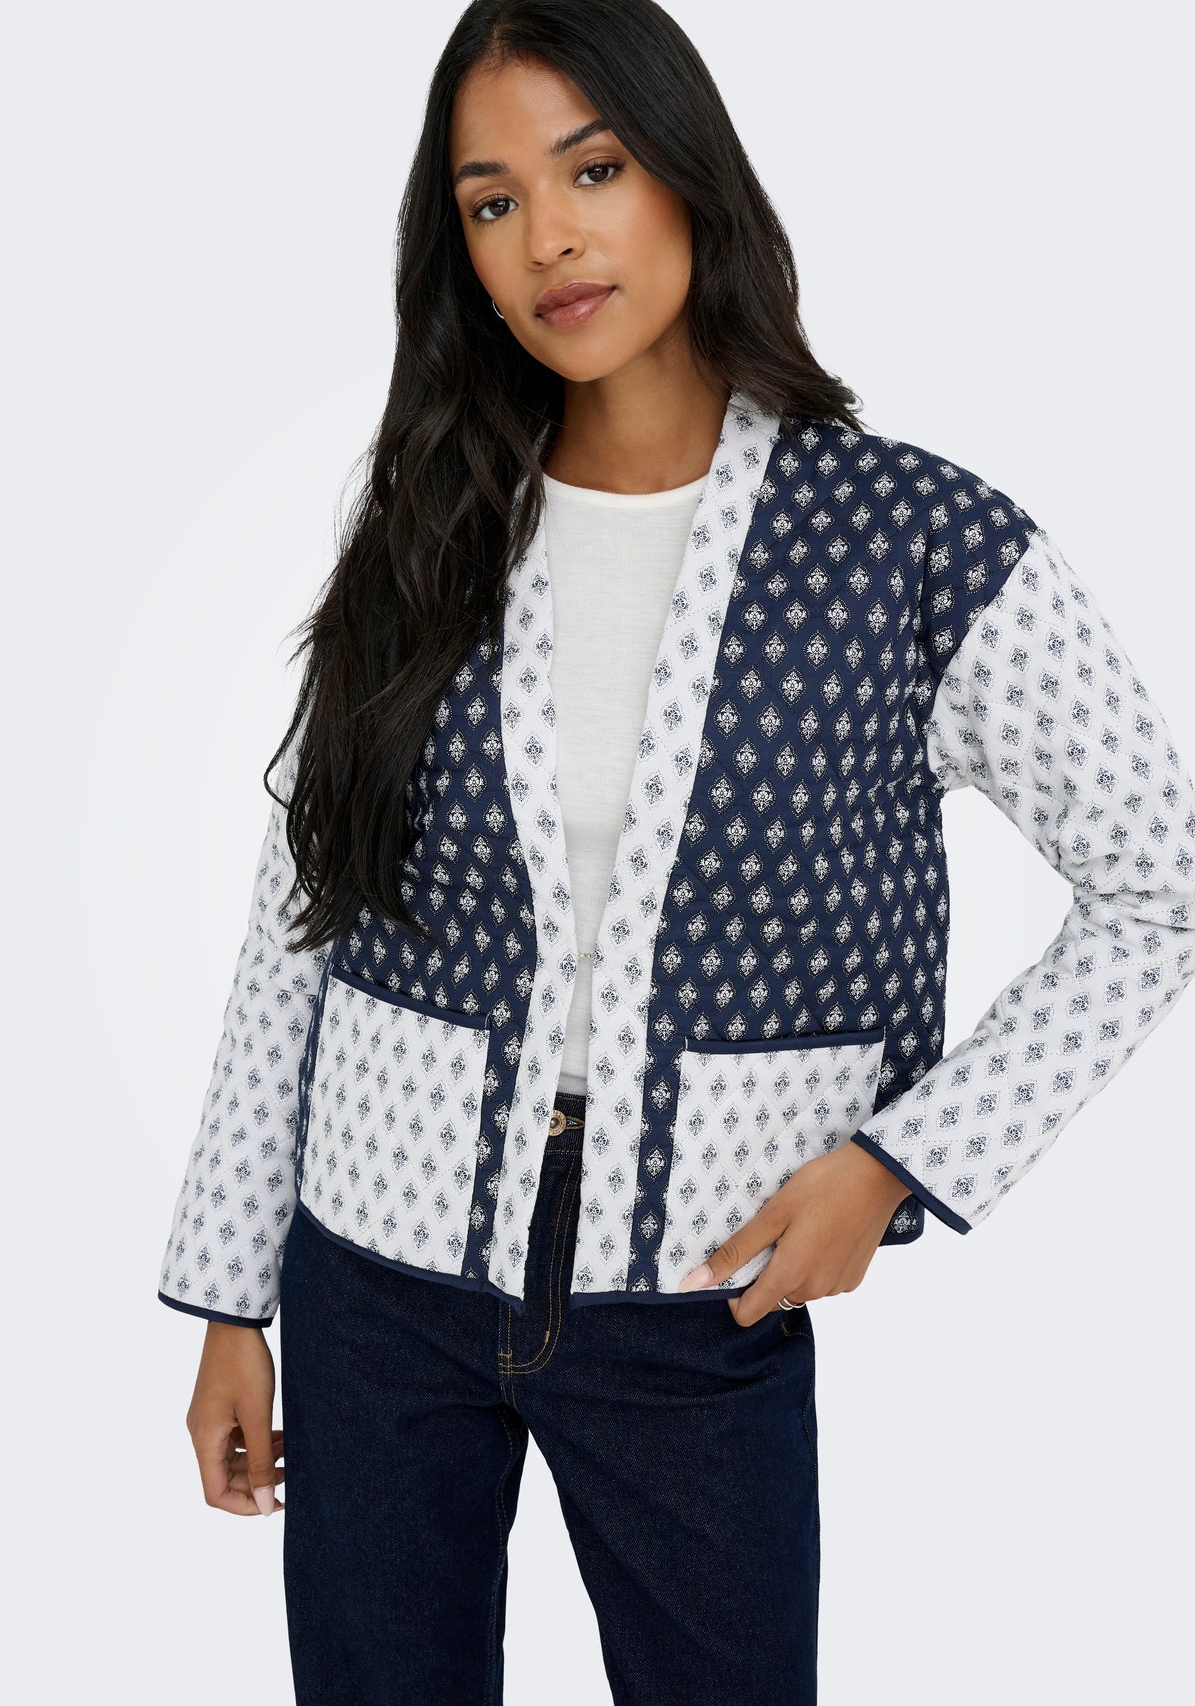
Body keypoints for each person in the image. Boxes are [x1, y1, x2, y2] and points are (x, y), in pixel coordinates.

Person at [156, 3, 1195, 1701]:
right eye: (493, 201)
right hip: (373, 1280)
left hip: (704, 1288)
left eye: (595, 170)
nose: (549, 237)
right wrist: (230, 1299)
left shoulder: (911, 541)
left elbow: (1164, 883)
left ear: (688, 175)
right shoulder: (428, 522)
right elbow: (301, 908)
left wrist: (900, 1162)